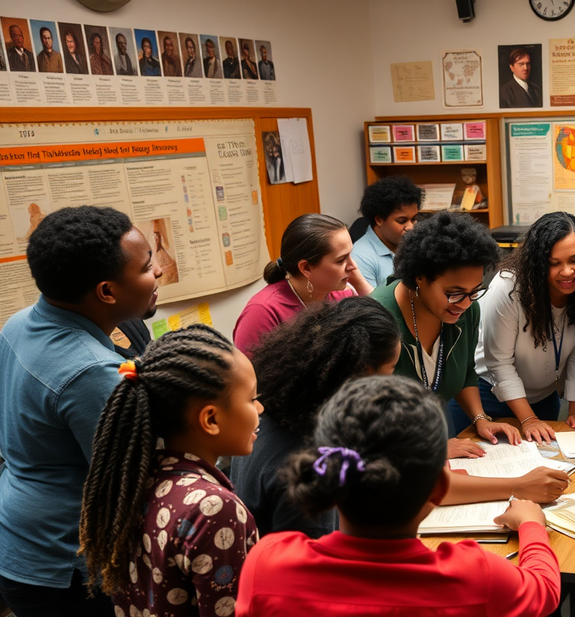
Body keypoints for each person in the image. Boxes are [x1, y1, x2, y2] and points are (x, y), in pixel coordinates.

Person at [235, 297, 570, 538]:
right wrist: (519, 490)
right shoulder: (312, 467)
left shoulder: (285, 413)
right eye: (389, 372)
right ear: (357, 377)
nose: (392, 383)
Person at [235, 376, 562, 617]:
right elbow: (545, 590)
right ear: (439, 486)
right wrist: (531, 524)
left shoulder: (265, 565)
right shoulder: (475, 576)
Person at [0, 206, 160, 615]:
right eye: (146, 267)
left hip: (18, 536)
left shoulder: (18, 323)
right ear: (107, 292)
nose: (157, 272)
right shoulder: (92, 373)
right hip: (62, 563)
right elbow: (134, 482)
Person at [79, 325, 262, 617]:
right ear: (210, 419)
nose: (260, 408)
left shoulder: (140, 477)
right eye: (252, 399)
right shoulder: (214, 509)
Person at [373, 212, 521, 453]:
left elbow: (466, 372)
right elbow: (363, 417)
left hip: (435, 435)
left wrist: (480, 419)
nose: (464, 303)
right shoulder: (379, 319)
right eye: (454, 292)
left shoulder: (466, 310)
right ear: (419, 277)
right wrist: (430, 448)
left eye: (474, 291)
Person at [466, 212, 575, 442]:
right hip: (490, 399)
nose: (568, 272)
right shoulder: (509, 286)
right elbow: (499, 362)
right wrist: (528, 419)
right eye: (554, 263)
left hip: (543, 400)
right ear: (538, 263)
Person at [233, 213, 371, 357]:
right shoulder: (262, 312)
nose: (353, 266)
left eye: (350, 255)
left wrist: (360, 284)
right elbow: (253, 377)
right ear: (306, 268)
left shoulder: (344, 295)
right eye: (341, 260)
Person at [351, 175, 422, 289]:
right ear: (379, 219)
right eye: (402, 221)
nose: (410, 227)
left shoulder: (413, 243)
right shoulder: (360, 257)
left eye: (413, 219)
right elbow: (367, 305)